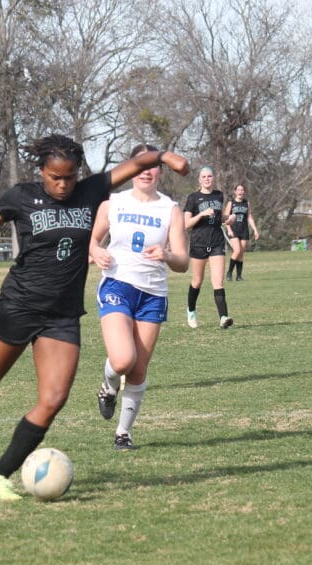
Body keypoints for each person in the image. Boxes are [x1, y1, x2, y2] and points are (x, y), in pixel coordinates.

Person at [0, 134, 189, 500]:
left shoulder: (91, 192)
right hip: (18, 306)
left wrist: (166, 157)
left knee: (54, 398)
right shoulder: (21, 197)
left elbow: (137, 164)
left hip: (62, 317)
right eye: (55, 177)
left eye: (70, 177)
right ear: (41, 171)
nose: (62, 184)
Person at [90, 144, 189, 451]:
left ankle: (123, 433)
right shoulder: (113, 203)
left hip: (153, 295)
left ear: (160, 170)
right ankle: (107, 386)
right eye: (140, 164)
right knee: (122, 359)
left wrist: (167, 254)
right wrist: (96, 251)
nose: (147, 171)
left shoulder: (170, 209)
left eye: (152, 165)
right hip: (118, 285)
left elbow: (183, 262)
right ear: (131, 168)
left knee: (138, 370)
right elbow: (91, 241)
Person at [183, 165, 236, 329]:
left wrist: (229, 218)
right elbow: (186, 224)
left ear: (213, 178)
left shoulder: (219, 195)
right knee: (197, 281)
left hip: (216, 242)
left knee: (218, 281)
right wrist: (201, 214)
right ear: (199, 180)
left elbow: (219, 218)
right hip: (199, 243)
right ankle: (191, 310)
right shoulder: (193, 198)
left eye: (209, 176)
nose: (207, 179)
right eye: (204, 177)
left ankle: (223, 317)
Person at [225, 184, 259, 281]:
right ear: (235, 192)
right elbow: (226, 218)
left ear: (244, 192)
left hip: (244, 230)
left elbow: (249, 217)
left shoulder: (246, 203)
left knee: (241, 253)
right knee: (237, 251)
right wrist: (229, 229)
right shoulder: (231, 203)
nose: (240, 192)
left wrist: (255, 230)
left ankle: (239, 276)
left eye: (242, 190)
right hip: (234, 230)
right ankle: (229, 272)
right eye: (238, 190)